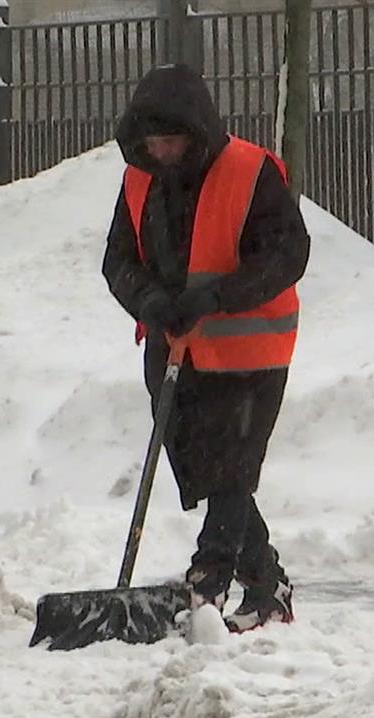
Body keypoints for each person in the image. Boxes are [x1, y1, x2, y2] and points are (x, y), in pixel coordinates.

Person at [102, 64, 310, 632]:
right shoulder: (139, 180)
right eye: (152, 142)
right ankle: (267, 584)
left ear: (197, 130)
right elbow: (117, 259)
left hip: (250, 351)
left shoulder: (250, 170)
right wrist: (150, 300)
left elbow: (287, 253)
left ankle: (209, 578)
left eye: (172, 140)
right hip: (174, 348)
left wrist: (218, 296)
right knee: (206, 471)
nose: (162, 152)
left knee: (233, 467)